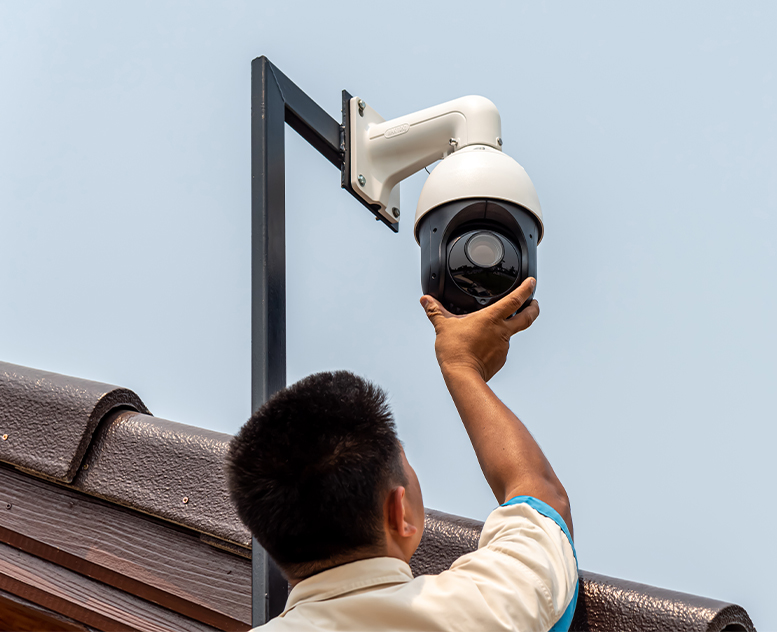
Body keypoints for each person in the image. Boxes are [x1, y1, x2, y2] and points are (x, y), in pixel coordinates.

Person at [227, 277, 578, 631]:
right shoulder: (477, 609)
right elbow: (541, 498)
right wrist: (461, 366)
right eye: (404, 462)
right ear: (398, 511)